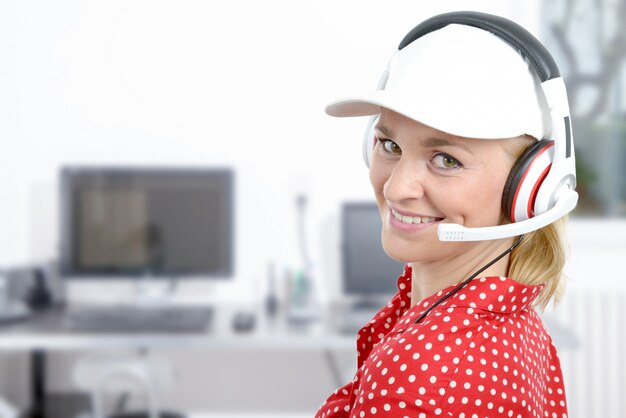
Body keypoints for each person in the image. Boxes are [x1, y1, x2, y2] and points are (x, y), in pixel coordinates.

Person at [315, 11, 576, 418]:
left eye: (446, 159)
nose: (396, 188)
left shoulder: (421, 374)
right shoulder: (513, 319)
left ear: (531, 186)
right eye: (390, 145)